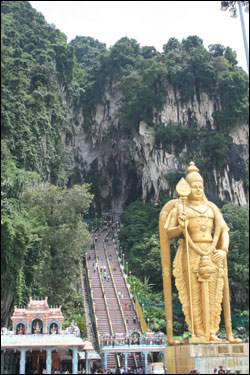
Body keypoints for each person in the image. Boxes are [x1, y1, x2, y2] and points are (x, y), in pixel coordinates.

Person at [160, 161, 242, 344]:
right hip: (191, 252)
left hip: (212, 252)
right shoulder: (180, 208)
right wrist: (180, 226)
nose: (197, 189)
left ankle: (212, 331)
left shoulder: (212, 208)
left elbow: (224, 230)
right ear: (186, 188)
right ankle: (197, 332)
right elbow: (168, 231)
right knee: (193, 294)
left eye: (200, 186)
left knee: (214, 294)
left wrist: (223, 249)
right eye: (194, 186)